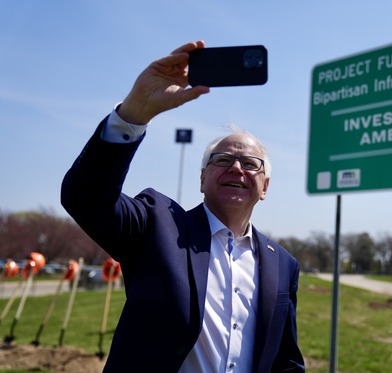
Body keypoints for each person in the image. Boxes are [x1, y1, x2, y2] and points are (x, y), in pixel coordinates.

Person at [61, 41, 305, 372]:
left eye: (250, 163)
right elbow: (86, 197)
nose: (236, 168)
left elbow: (285, 359)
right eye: (223, 160)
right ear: (202, 179)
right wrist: (134, 112)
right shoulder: (157, 225)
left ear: (265, 187)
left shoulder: (284, 265)